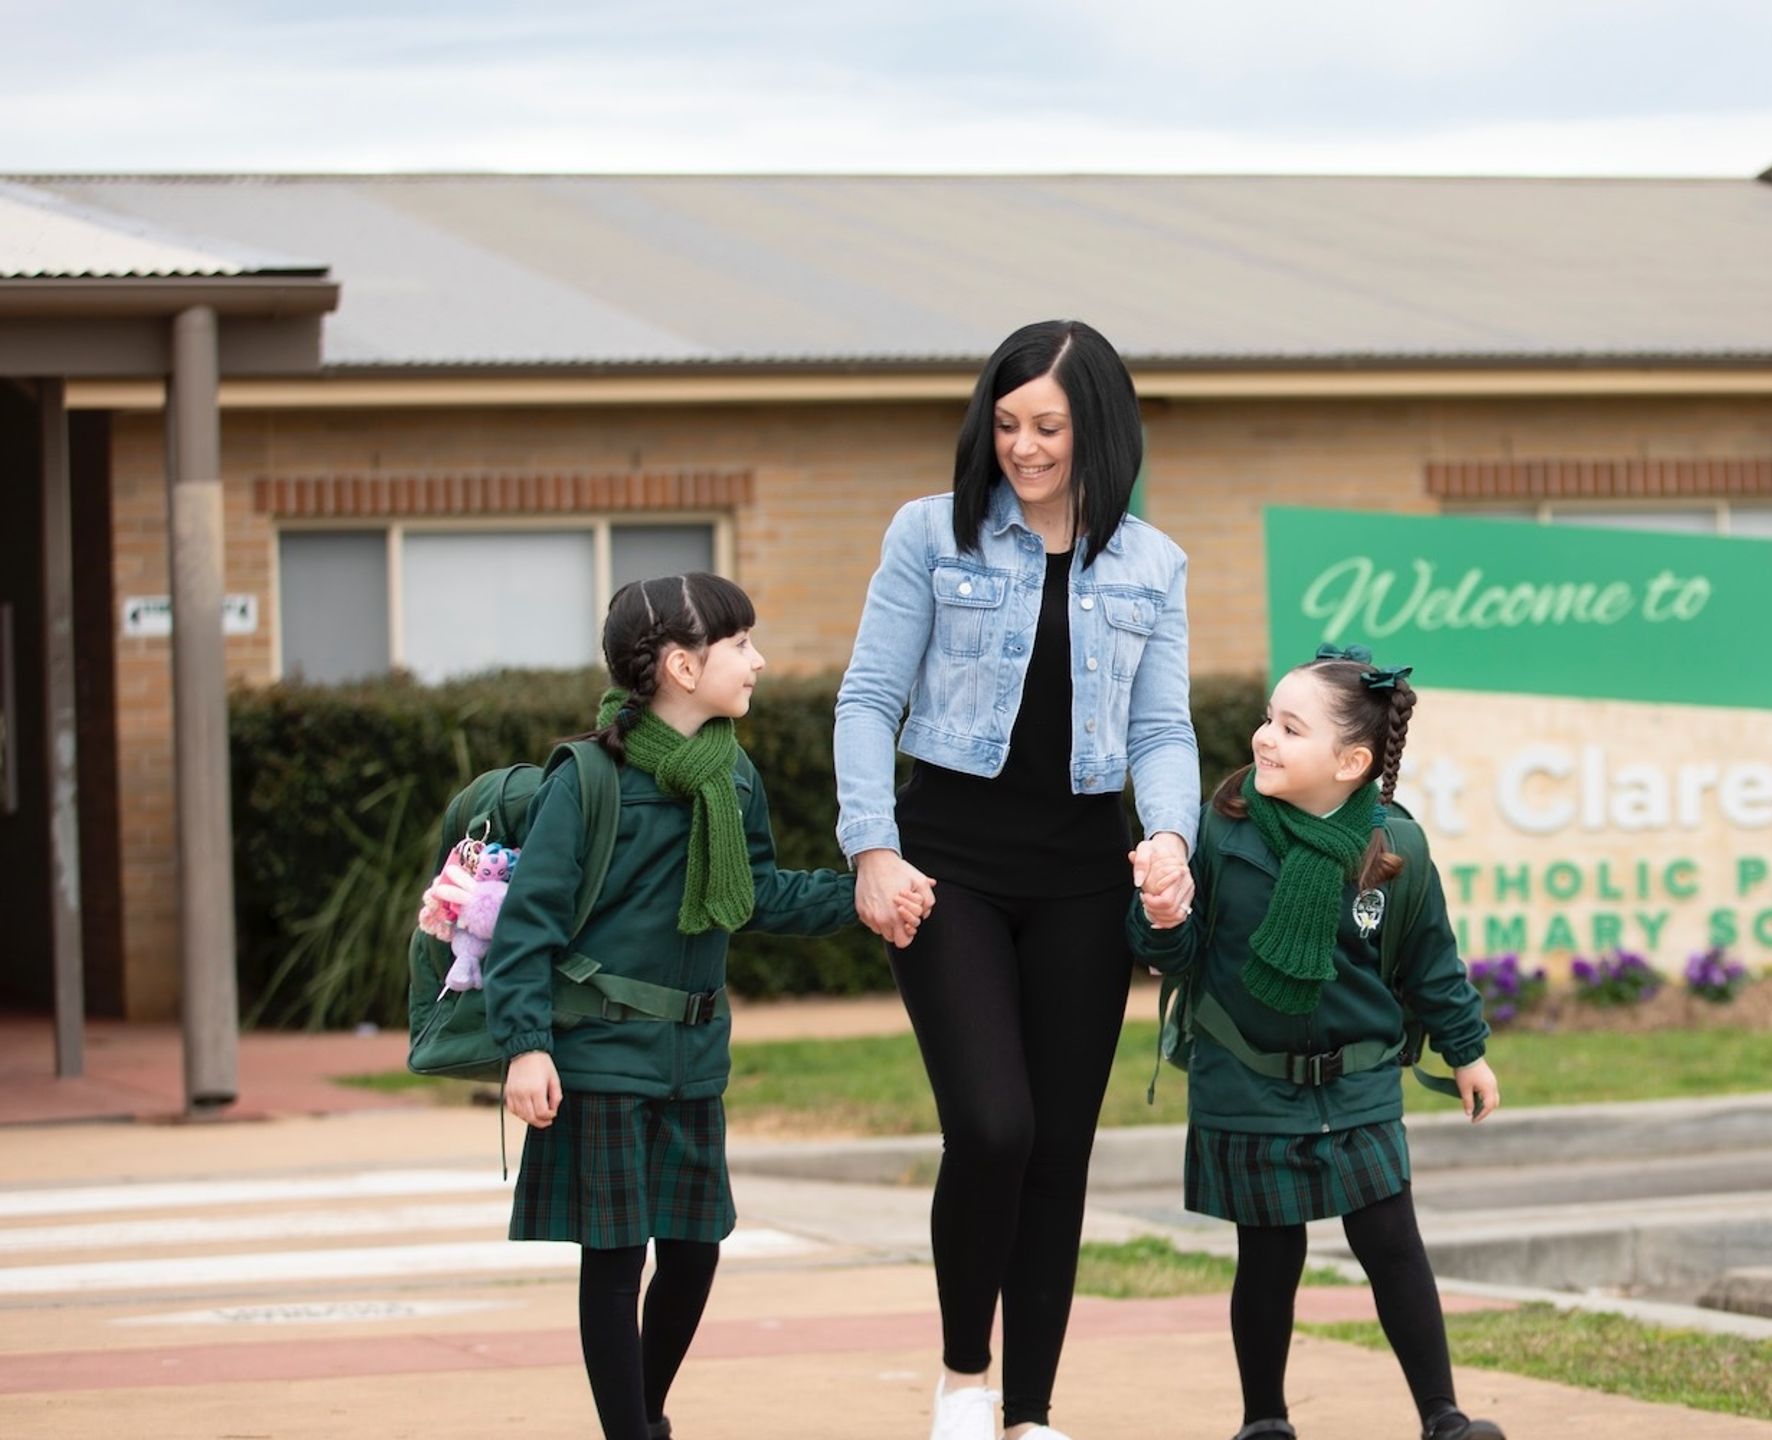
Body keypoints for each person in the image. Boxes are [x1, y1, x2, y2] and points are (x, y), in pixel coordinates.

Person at [833, 319, 1200, 1440]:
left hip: (1086, 882)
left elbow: (1162, 728)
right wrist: (872, 846)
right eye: (1005, 424)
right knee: (992, 1128)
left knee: (1059, 1151)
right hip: (950, 876)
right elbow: (866, 700)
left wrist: (1172, 838)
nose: (1024, 448)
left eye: (1048, 426)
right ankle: (962, 1374)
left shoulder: (1152, 562)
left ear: (1099, 430)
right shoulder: (928, 536)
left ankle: (1032, 1414)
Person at [489, 572, 899, 1440]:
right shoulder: (589, 779)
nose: (758, 661)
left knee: (693, 1248)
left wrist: (870, 896)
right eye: (740, 645)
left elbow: (756, 896)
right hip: (598, 1053)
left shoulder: (729, 775)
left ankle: (645, 1413)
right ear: (681, 665)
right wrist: (527, 1045)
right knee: (615, 1257)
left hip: (690, 1059)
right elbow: (529, 925)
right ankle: (633, 1433)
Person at [1133, 647, 1508, 1440]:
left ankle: (1443, 1417)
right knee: (1269, 1261)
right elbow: (1181, 954)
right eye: (1269, 719)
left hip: (1360, 1081)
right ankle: (1263, 1420)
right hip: (1246, 1081)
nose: (1264, 737)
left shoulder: (1393, 850)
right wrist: (1162, 919)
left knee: (1393, 1247)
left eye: (1289, 727)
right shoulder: (1223, 830)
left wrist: (1466, 1050)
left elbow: (1431, 963)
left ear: (1351, 761)